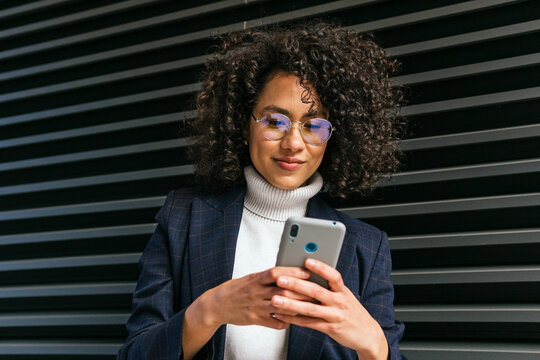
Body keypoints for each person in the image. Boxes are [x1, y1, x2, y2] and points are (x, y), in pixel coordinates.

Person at [118, 20, 406, 360]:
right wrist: (209, 310)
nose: (294, 143)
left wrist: (374, 345)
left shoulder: (366, 246)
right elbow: (135, 354)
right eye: (274, 121)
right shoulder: (183, 217)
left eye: (314, 125)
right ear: (244, 127)